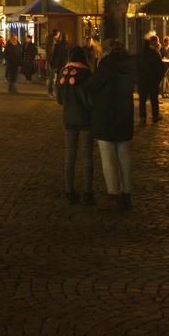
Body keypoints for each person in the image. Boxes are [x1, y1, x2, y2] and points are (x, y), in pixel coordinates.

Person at [85, 38, 136, 210]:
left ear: (106, 50)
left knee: (107, 156)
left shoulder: (106, 65)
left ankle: (113, 194)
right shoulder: (130, 64)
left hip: (106, 114)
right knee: (123, 154)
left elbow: (91, 86)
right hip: (124, 113)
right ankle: (126, 193)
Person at [56, 45, 95, 205]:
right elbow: (91, 99)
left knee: (70, 155)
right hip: (86, 120)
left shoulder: (62, 73)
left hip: (69, 119)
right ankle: (87, 192)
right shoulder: (88, 74)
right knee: (87, 157)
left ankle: (69, 190)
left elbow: (59, 99)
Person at [136, 37, 164, 125]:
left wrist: (137, 79)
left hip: (142, 81)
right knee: (154, 99)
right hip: (153, 80)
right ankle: (155, 115)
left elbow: (135, 68)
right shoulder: (154, 54)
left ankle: (142, 117)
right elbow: (160, 68)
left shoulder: (139, 55)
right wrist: (158, 79)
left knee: (142, 100)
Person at [49, 31, 68, 98]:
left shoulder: (57, 45)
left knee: (58, 79)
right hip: (66, 65)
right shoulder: (69, 45)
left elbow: (54, 56)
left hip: (59, 64)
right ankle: (64, 93)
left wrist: (52, 64)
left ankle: (58, 92)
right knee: (65, 78)